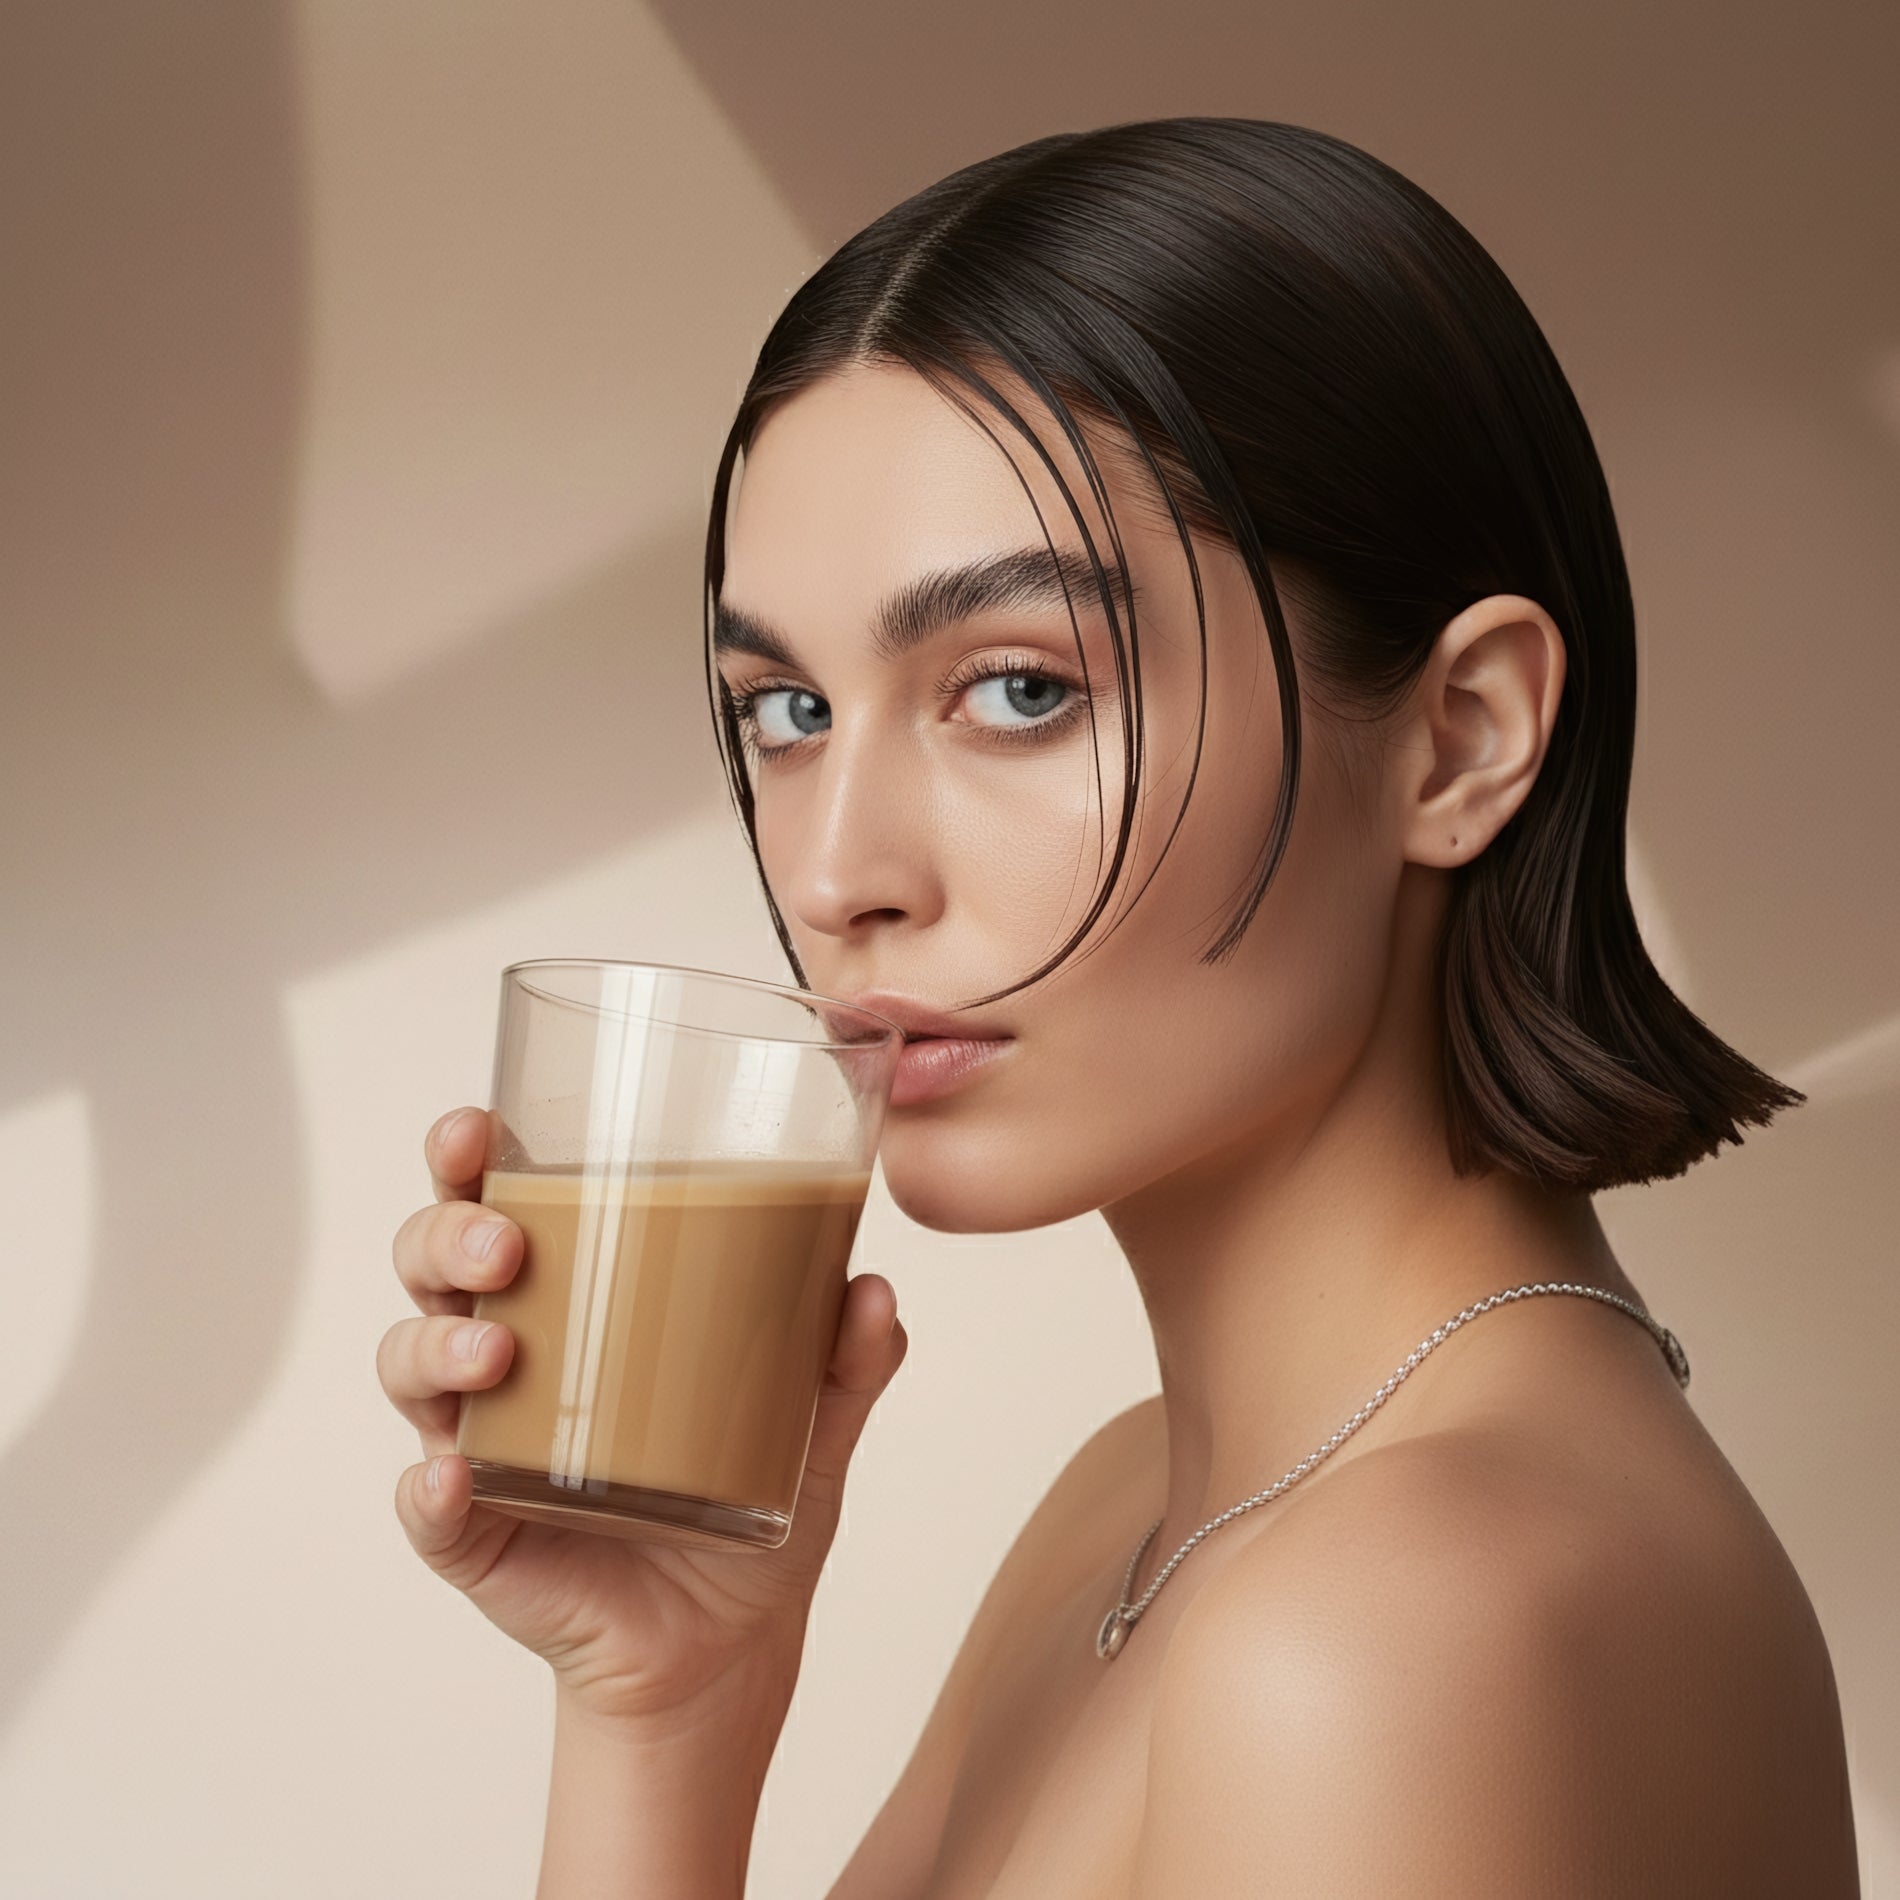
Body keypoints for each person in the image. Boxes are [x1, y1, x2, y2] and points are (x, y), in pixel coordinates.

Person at [376, 118, 1860, 1896]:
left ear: (1462, 738)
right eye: (786, 712)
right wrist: (662, 1709)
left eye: (1015, 688)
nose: (840, 869)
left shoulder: (1384, 1632)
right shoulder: (1145, 1504)